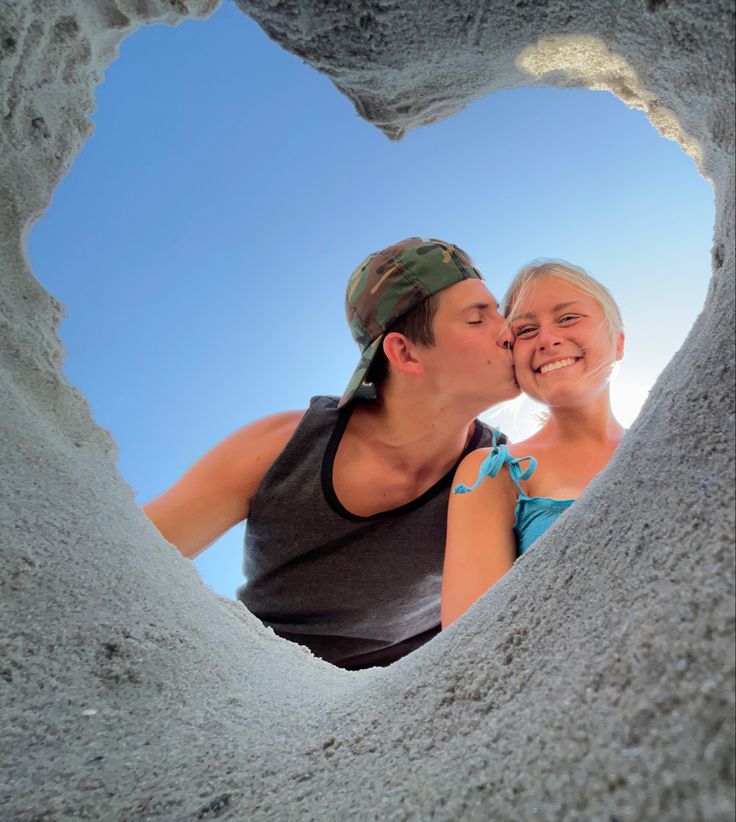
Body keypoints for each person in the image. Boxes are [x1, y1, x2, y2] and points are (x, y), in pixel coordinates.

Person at [143, 237, 519, 668]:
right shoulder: (282, 448)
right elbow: (131, 556)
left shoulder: (506, 471)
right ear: (405, 352)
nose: (509, 330)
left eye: (501, 313)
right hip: (253, 683)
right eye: (478, 319)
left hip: (413, 696)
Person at [441, 260, 625, 627]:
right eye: (525, 330)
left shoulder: (671, 443)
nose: (547, 339)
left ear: (618, 342)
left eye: (569, 318)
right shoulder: (494, 472)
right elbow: (469, 643)